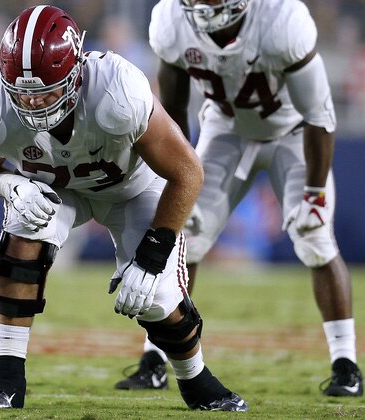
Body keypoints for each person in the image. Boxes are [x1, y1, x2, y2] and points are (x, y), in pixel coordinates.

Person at [0, 5, 247, 412]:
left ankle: (196, 379)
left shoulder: (116, 90)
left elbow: (188, 171)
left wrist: (153, 253)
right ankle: (5, 378)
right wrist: (9, 183)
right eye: (23, 92)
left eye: (48, 90)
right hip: (58, 190)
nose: (34, 103)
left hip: (132, 189)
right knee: (23, 229)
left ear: (76, 73)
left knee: (156, 298)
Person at [115, 0, 363, 398]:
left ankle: (346, 364)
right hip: (227, 128)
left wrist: (314, 192)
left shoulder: (282, 18)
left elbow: (319, 113)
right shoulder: (171, 19)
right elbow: (174, 107)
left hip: (293, 132)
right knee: (183, 233)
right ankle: (155, 359)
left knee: (316, 238)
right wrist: (173, 171)